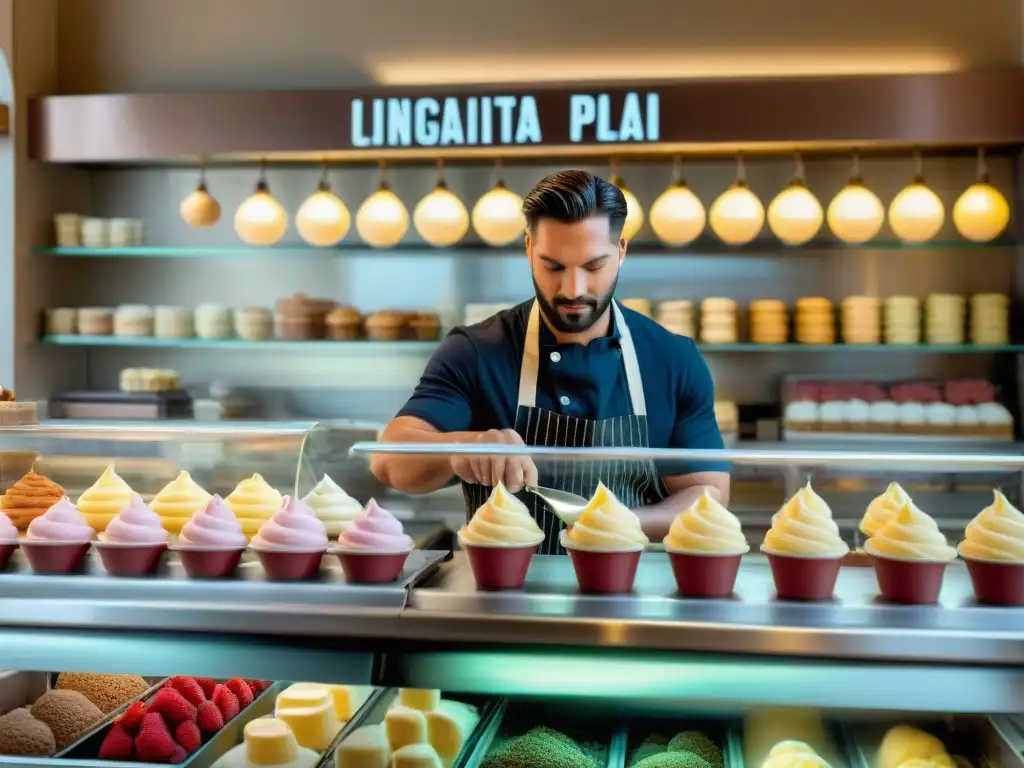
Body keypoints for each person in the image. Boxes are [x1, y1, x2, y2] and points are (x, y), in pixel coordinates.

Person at [371, 170, 729, 555]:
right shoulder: (475, 351)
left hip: (630, 593)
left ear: (621, 251)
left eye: (593, 267)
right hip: (500, 600)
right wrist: (461, 445)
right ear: (528, 248)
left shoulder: (671, 358)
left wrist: (614, 525)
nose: (572, 289)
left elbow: (707, 494)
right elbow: (388, 462)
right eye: (554, 266)